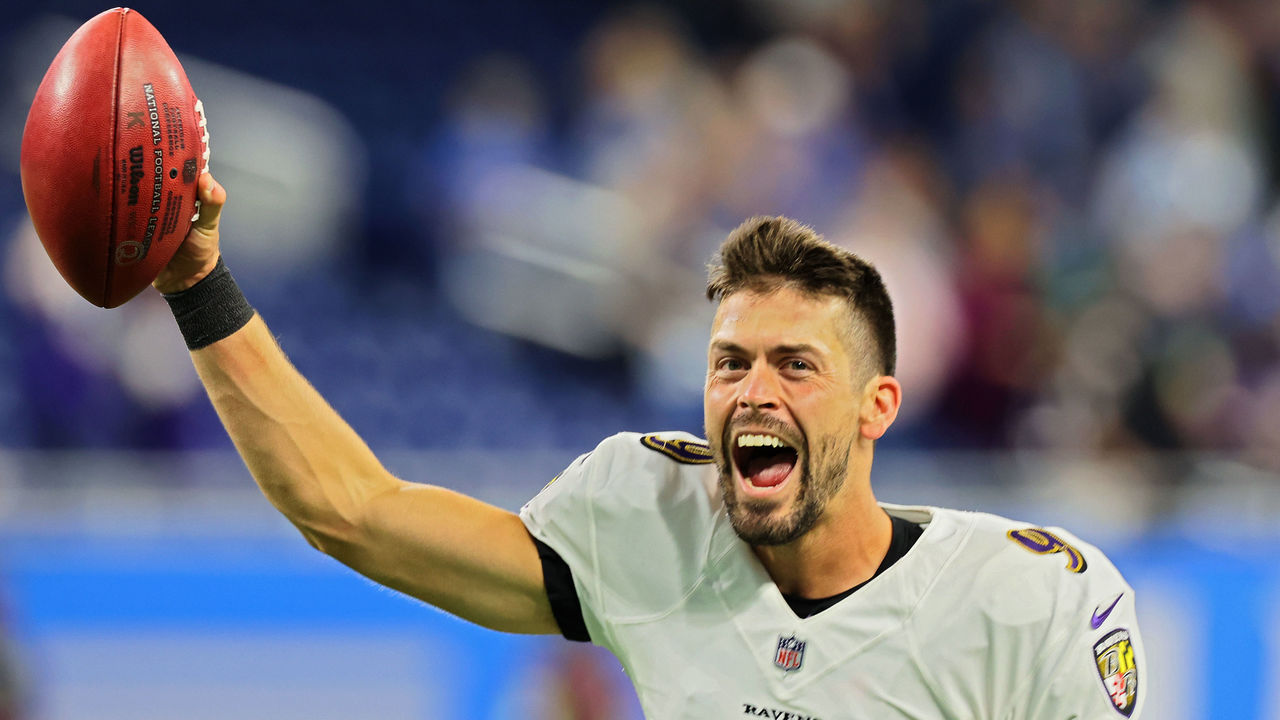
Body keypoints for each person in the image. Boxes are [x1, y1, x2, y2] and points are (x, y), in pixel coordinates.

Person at [155, 173, 1145, 719]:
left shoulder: (1030, 601)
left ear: (874, 406)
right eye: (728, 364)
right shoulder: (648, 520)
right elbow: (353, 512)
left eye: (794, 365)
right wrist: (198, 287)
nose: (751, 392)